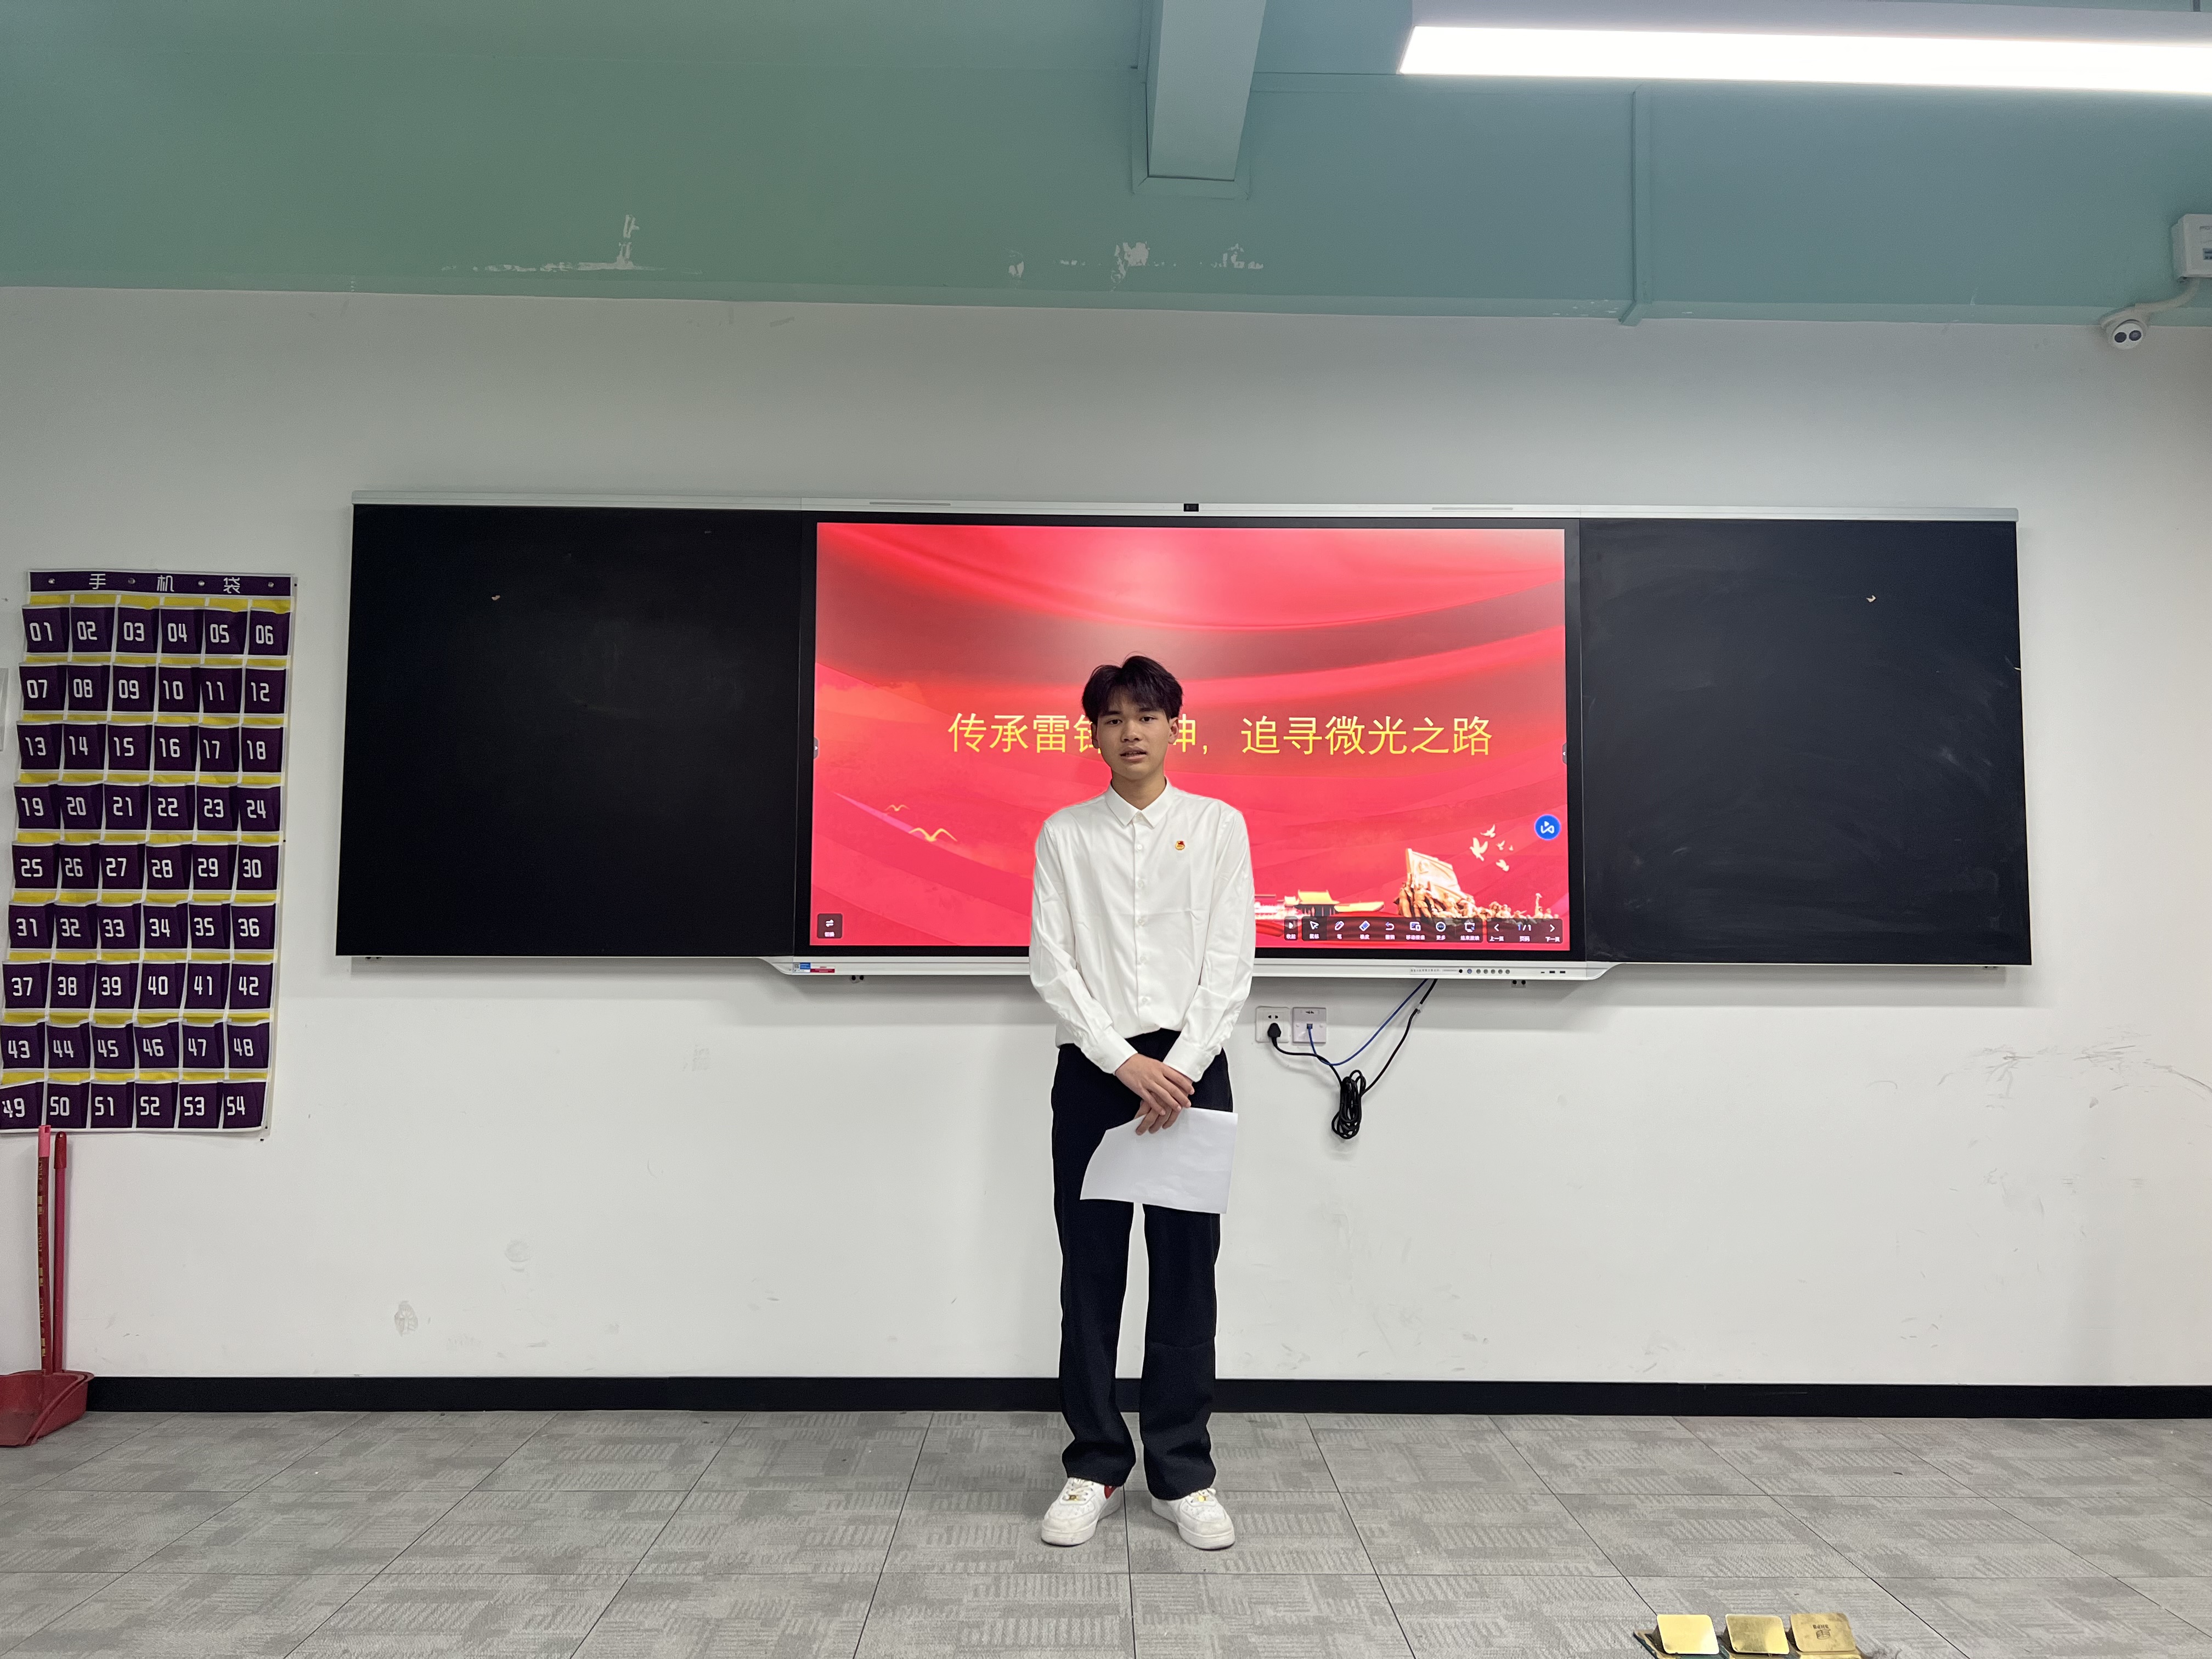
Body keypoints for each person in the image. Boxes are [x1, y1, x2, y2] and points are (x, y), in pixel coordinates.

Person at [1027, 654, 1256, 1551]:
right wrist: (1125, 1063)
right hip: (1096, 1072)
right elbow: (1053, 965)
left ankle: (1183, 1474)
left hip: (1192, 1071)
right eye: (1114, 718)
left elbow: (1229, 962)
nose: (1131, 732)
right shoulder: (1065, 835)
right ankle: (1094, 1465)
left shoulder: (1218, 826)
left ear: (1174, 728)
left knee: (1186, 1272)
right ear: (1093, 734)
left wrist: (1179, 1067)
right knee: (1090, 1274)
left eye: (1147, 716)